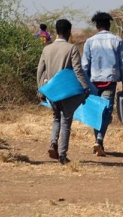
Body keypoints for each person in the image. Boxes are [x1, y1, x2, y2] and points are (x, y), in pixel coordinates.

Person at [37, 19, 89, 165]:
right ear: (68, 32)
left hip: (51, 91)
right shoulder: (71, 49)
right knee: (66, 121)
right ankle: (62, 155)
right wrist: (85, 88)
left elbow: (40, 70)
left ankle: (53, 143)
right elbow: (78, 70)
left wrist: (40, 88)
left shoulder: (47, 49)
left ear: (56, 31)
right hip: (67, 90)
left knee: (56, 118)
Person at [82, 11, 123, 157]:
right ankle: (99, 139)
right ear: (109, 25)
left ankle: (98, 140)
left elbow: (84, 65)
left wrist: (84, 84)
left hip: (93, 82)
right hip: (109, 81)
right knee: (106, 112)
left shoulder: (89, 42)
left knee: (95, 112)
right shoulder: (116, 40)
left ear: (96, 25)